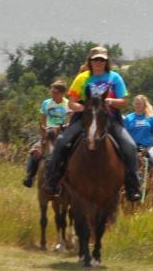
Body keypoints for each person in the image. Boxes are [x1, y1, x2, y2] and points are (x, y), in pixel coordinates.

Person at [44, 45, 141, 202]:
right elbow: (71, 104)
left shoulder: (115, 78)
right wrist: (84, 108)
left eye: (102, 60)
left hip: (109, 119)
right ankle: (52, 180)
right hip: (84, 119)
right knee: (62, 141)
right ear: (90, 61)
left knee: (130, 146)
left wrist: (111, 101)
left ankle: (133, 186)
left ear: (106, 62)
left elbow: (124, 101)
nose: (98, 62)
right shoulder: (82, 78)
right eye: (96, 59)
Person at [22, 79, 70, 187]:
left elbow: (69, 121)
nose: (53, 94)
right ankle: (30, 176)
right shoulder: (46, 103)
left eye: (55, 92)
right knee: (35, 151)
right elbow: (43, 120)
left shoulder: (67, 104)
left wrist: (61, 127)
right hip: (48, 132)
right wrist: (43, 132)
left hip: (62, 133)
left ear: (62, 93)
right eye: (52, 92)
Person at [123, 94, 153, 199]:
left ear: (144, 104)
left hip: (148, 147)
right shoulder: (128, 118)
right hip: (133, 148)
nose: (137, 105)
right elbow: (124, 134)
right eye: (136, 103)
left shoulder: (150, 118)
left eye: (140, 103)